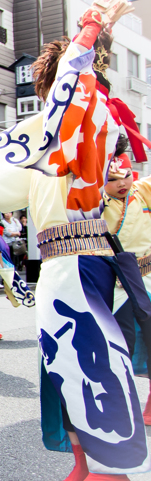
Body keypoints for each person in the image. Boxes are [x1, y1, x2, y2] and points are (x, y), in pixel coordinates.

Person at [0, 0, 149, 481]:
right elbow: (6, 187)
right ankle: (81, 464)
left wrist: (93, 30)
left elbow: (76, 83)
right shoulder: (48, 134)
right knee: (59, 366)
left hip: (79, 257)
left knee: (89, 358)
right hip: (57, 261)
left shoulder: (87, 116)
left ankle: (112, 469)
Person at [102, 147, 151, 425]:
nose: (122, 183)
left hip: (149, 276)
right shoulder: (93, 202)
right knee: (121, 345)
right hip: (115, 283)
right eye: (113, 179)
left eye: (127, 175)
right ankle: (121, 404)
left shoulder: (142, 191)